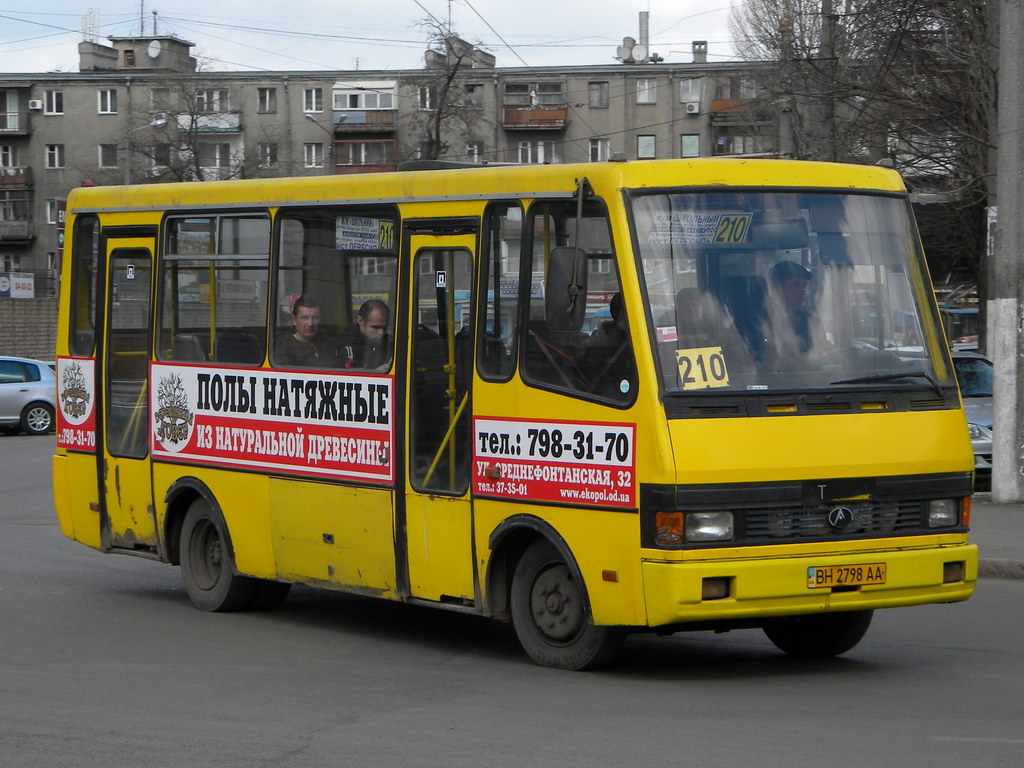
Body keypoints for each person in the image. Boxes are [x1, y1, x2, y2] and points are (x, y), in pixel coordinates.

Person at [767, 260, 824, 355]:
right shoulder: (752, 324)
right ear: (777, 288)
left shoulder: (811, 323)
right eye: (795, 285)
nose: (802, 291)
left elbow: (824, 357)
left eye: (804, 285)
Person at [276, 295, 343, 367]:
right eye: (305, 318)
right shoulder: (285, 349)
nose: (310, 324)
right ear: (294, 319)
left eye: (315, 318)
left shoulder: (329, 342)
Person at [337, 299, 392, 371]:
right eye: (375, 327)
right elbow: (345, 378)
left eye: (384, 328)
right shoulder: (347, 349)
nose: (381, 332)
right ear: (360, 321)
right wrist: (376, 373)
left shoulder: (391, 344)